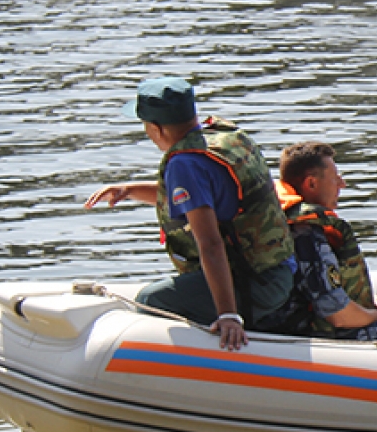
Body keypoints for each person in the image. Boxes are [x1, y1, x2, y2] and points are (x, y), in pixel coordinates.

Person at [84, 76, 294, 351]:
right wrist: (131, 189)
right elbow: (205, 196)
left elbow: (210, 243)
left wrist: (228, 315)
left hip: (255, 284)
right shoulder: (224, 138)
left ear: (157, 129)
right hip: (278, 270)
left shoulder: (185, 164)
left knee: (151, 300)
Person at [276, 141, 377, 341]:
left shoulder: (279, 222)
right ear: (311, 183)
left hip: (293, 323)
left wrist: (370, 303)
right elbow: (339, 316)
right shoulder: (306, 234)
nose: (342, 184)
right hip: (306, 337)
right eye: (335, 178)